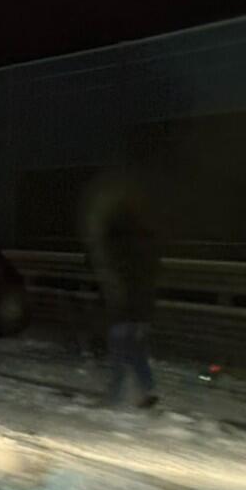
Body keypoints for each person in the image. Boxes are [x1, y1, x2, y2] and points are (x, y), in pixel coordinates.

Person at [86, 175, 162, 408]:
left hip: (122, 311)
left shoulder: (115, 246)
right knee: (137, 352)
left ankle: (114, 398)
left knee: (119, 353)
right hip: (142, 310)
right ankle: (147, 390)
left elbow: (100, 266)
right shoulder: (146, 244)